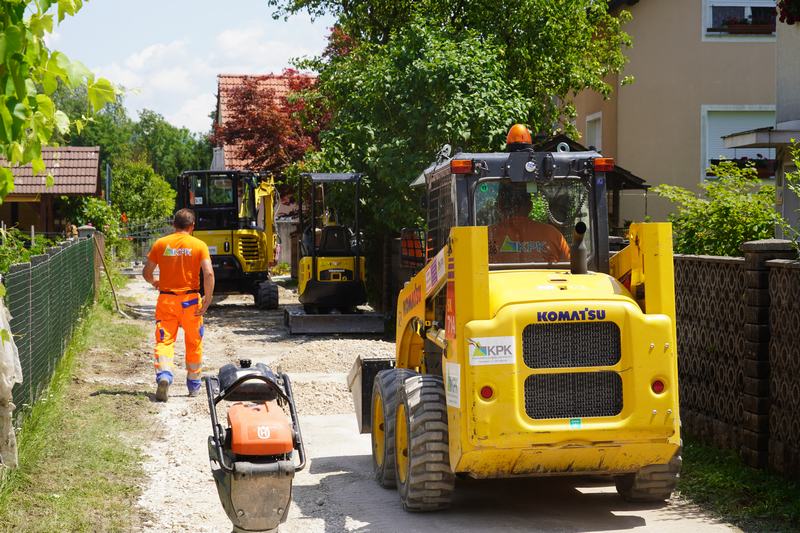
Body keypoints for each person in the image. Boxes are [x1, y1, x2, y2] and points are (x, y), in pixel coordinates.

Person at [142, 209, 214, 401]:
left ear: (174, 224)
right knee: (193, 342)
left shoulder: (161, 244)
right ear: (192, 226)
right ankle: (194, 385)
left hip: (167, 300)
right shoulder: (199, 245)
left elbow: (147, 272)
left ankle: (164, 375)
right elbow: (208, 273)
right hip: (191, 302)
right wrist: (208, 298)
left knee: (164, 341)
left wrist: (154, 282)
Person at [488, 186, 570, 264]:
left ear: (499, 207)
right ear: (530, 206)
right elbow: (569, 267)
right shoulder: (553, 234)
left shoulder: (488, 235)